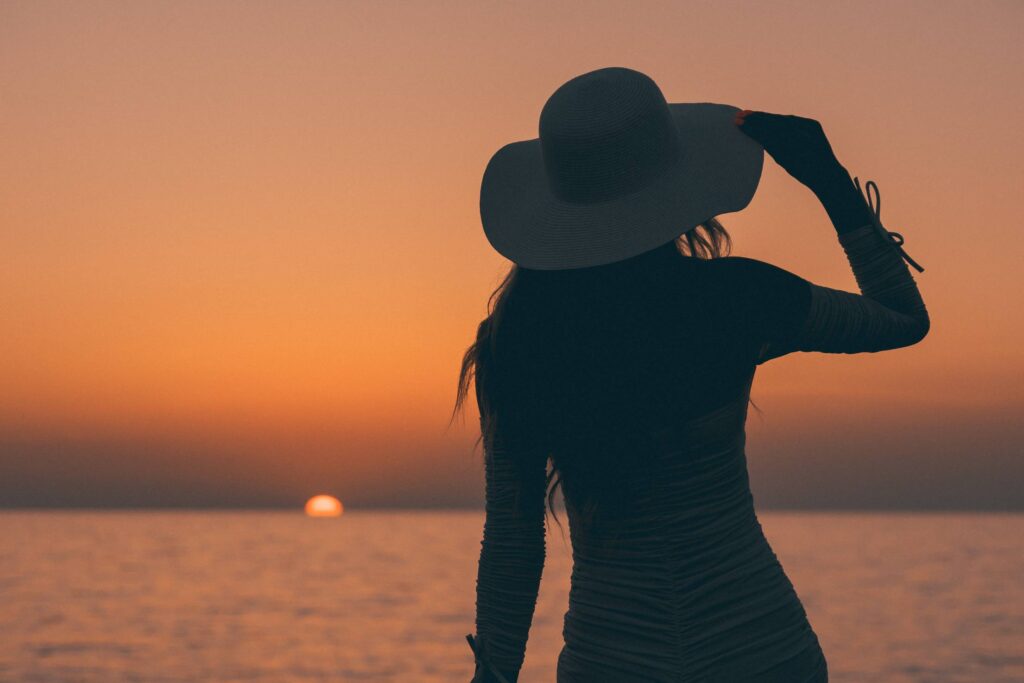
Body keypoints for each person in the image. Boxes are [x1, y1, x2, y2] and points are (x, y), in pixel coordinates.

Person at [452, 67, 929, 682]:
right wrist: (828, 180)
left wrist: (493, 675)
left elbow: (514, 542)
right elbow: (900, 318)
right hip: (764, 652)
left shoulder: (519, 345)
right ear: (671, 188)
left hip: (611, 661)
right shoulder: (737, 300)